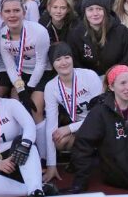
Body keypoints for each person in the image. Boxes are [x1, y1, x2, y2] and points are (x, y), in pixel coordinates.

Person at [69, 65, 128, 193]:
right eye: (123, 83)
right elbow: (83, 145)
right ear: (111, 86)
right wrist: (80, 181)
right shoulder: (100, 112)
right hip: (120, 177)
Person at [42, 42, 102, 183]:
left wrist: (69, 128)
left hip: (100, 125)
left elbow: (101, 114)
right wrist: (51, 165)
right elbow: (51, 124)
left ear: (72, 58)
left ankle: (97, 153)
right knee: (59, 139)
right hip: (81, 129)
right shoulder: (51, 87)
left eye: (66, 57)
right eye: (58, 59)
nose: (63, 62)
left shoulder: (89, 76)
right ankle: (86, 154)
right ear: (52, 64)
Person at [68, 0, 128, 76]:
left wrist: (110, 78)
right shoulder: (76, 34)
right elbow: (75, 63)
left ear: (106, 11)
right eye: (90, 9)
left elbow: (126, 61)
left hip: (115, 80)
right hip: (86, 81)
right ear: (85, 12)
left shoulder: (121, 32)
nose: (95, 13)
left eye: (99, 9)